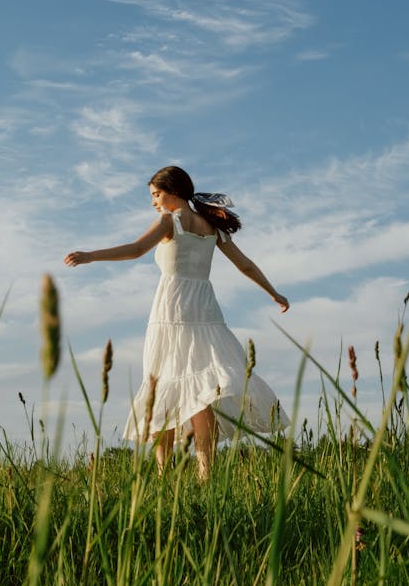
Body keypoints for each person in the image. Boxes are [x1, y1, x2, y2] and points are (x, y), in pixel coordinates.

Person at [64, 165, 290, 480]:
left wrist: (91, 255)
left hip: (171, 310)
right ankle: (205, 474)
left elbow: (136, 249)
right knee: (203, 391)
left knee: (164, 386)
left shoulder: (170, 221)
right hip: (205, 311)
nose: (154, 202)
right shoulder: (213, 227)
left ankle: (163, 476)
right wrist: (273, 293)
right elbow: (246, 265)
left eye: (156, 194)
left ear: (174, 191)